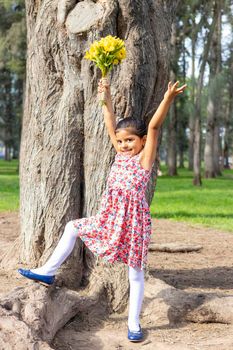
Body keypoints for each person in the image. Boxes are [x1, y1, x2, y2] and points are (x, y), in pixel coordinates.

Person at [18, 79, 186, 342]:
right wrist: (105, 95)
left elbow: (154, 125)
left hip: (134, 224)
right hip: (110, 218)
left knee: (135, 273)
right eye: (120, 141)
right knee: (73, 227)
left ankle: (133, 323)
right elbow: (109, 119)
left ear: (142, 141)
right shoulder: (119, 155)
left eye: (130, 140)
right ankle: (47, 272)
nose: (124, 145)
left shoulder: (144, 159)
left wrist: (168, 99)